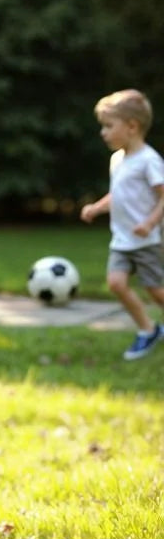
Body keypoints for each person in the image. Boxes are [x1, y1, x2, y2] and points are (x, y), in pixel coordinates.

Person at [80, 88, 164, 361]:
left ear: (132, 126)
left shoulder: (149, 160)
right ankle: (148, 329)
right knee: (116, 283)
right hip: (122, 239)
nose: (103, 133)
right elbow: (119, 193)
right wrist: (97, 207)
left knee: (156, 290)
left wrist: (151, 223)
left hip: (146, 240)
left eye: (108, 126)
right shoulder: (118, 159)